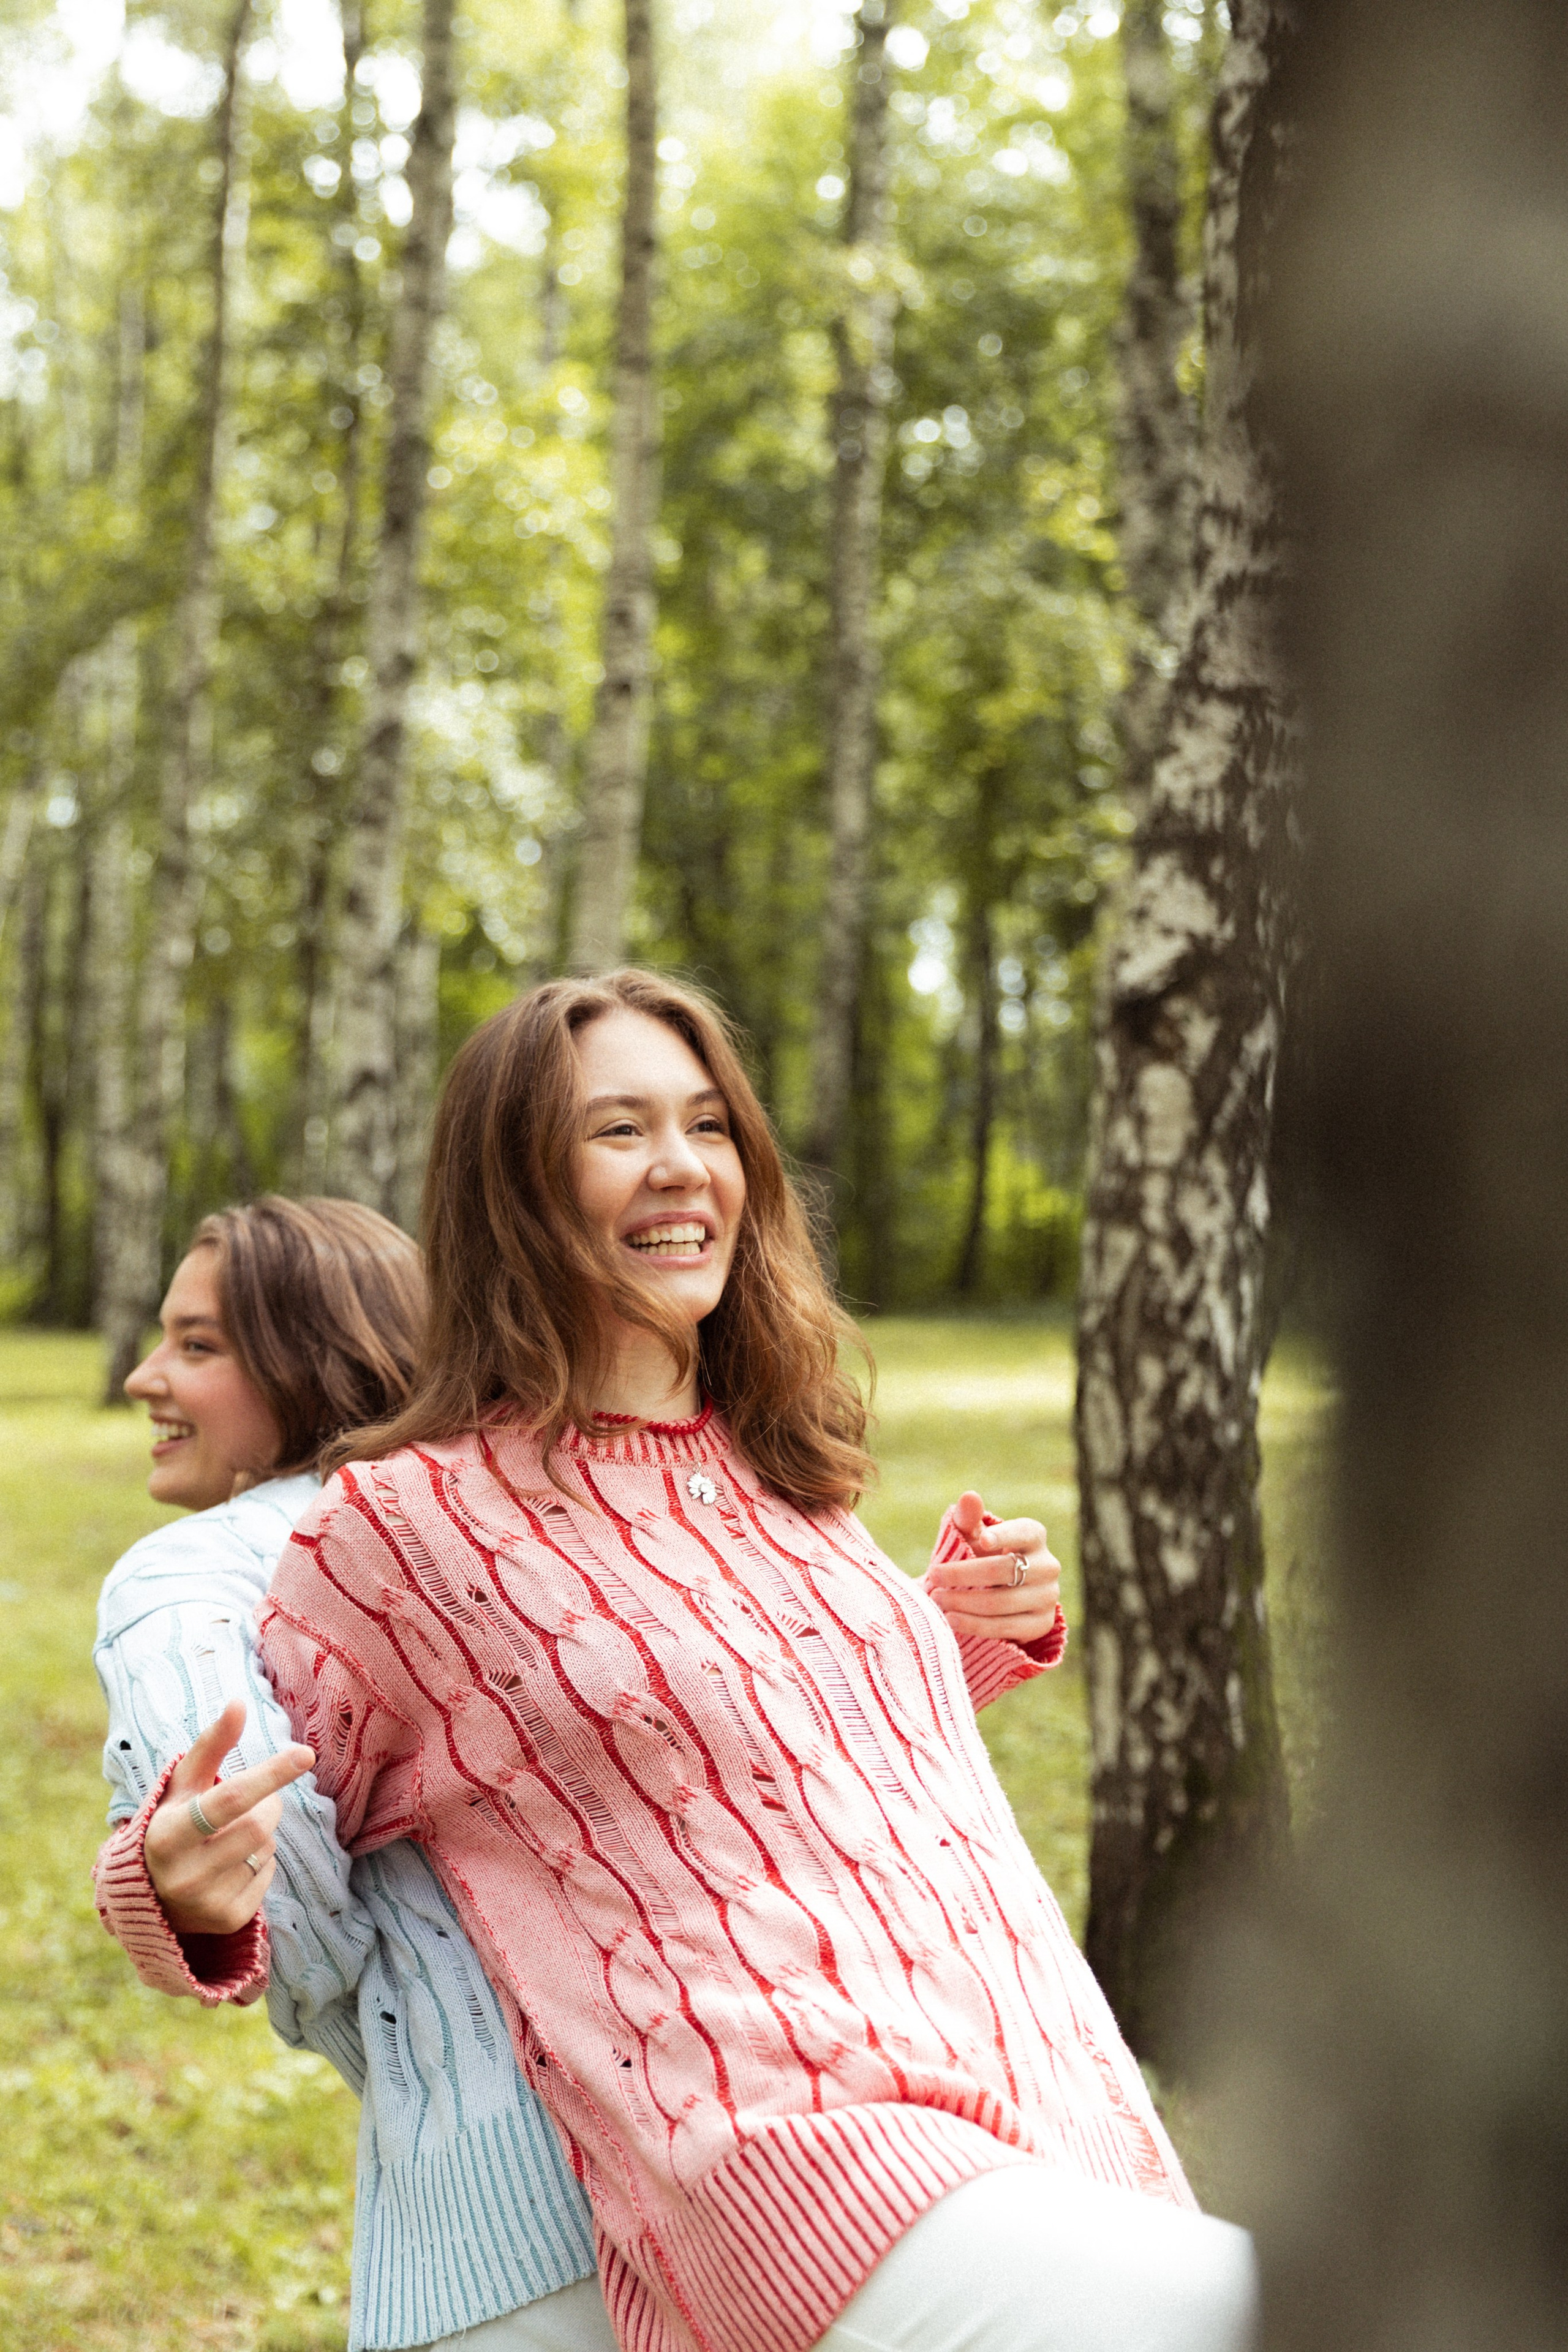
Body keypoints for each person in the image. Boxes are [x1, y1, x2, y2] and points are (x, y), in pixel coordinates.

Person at [251, 973, 1259, 2352]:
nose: (681, 1167)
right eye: (617, 1131)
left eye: (709, 1124)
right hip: (793, 2156)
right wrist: (170, 1888)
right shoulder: (400, 1529)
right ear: (513, 1188)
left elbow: (726, 1757)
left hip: (1026, 2080)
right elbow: (268, 1852)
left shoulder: (779, 1469)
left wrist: (947, 1634)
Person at [91, 1194, 616, 2352]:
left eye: (196, 1344)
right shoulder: (534, 1513)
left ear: (311, 1358)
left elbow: (291, 1927)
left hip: (499, 2222)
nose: (140, 1378)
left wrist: (157, 1884)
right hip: (741, 2160)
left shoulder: (181, 1580)